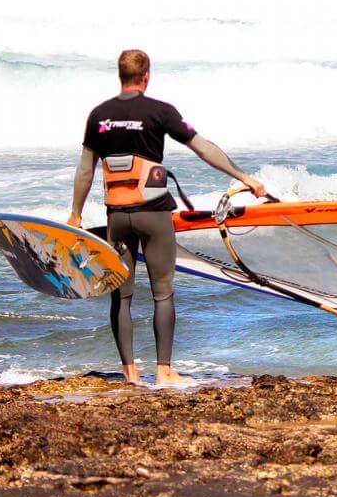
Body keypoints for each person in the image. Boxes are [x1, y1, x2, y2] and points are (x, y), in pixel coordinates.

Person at [68, 49, 265, 387]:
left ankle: (130, 374)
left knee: (121, 294)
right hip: (153, 213)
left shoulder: (98, 116)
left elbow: (86, 170)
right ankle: (163, 372)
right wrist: (243, 177)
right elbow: (203, 148)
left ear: (120, 75)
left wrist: (74, 214)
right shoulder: (159, 111)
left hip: (117, 215)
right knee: (162, 292)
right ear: (146, 76)